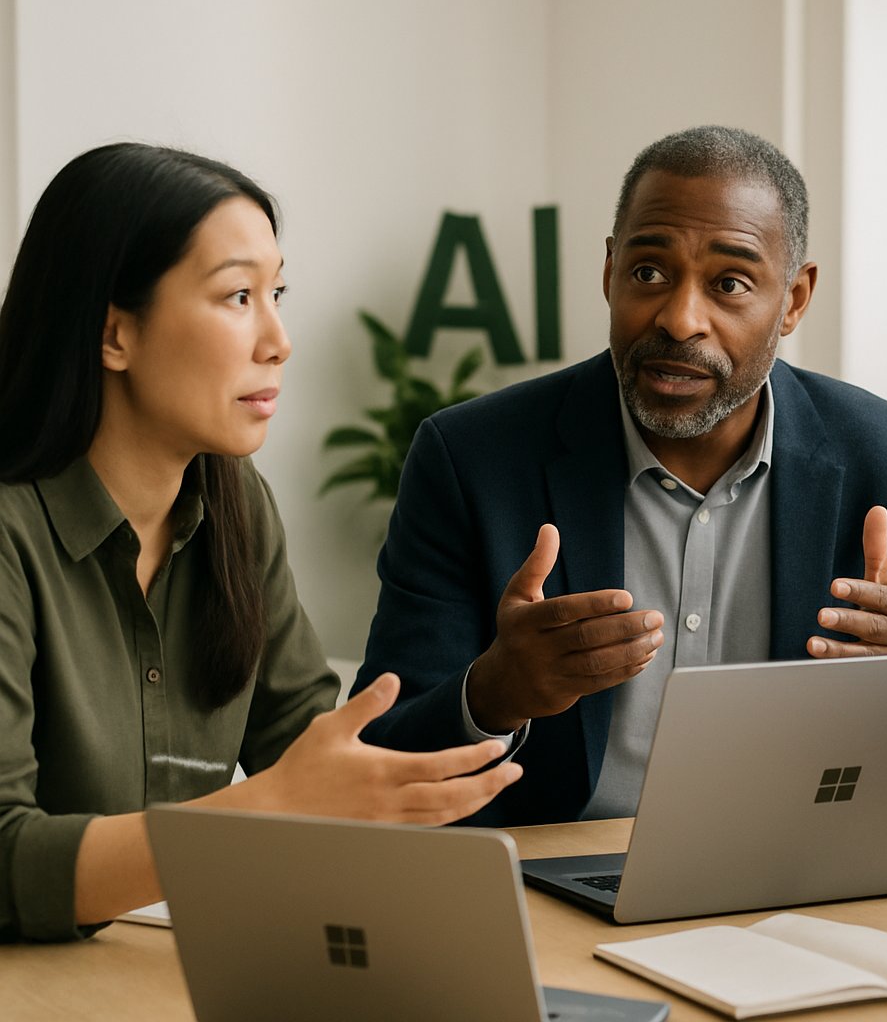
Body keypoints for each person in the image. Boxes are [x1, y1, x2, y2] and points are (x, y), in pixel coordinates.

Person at [356, 125, 887, 825]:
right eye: (649, 272)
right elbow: (377, 759)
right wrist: (494, 694)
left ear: (795, 300)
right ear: (609, 272)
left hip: (803, 880)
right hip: (555, 887)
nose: (680, 318)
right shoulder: (471, 457)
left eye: (730, 283)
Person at [0, 144, 522, 943]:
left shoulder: (235, 502)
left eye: (277, 292)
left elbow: (317, 756)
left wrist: (500, 684)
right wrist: (270, 806)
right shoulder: (10, 530)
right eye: (238, 295)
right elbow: (5, 858)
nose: (279, 339)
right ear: (113, 335)